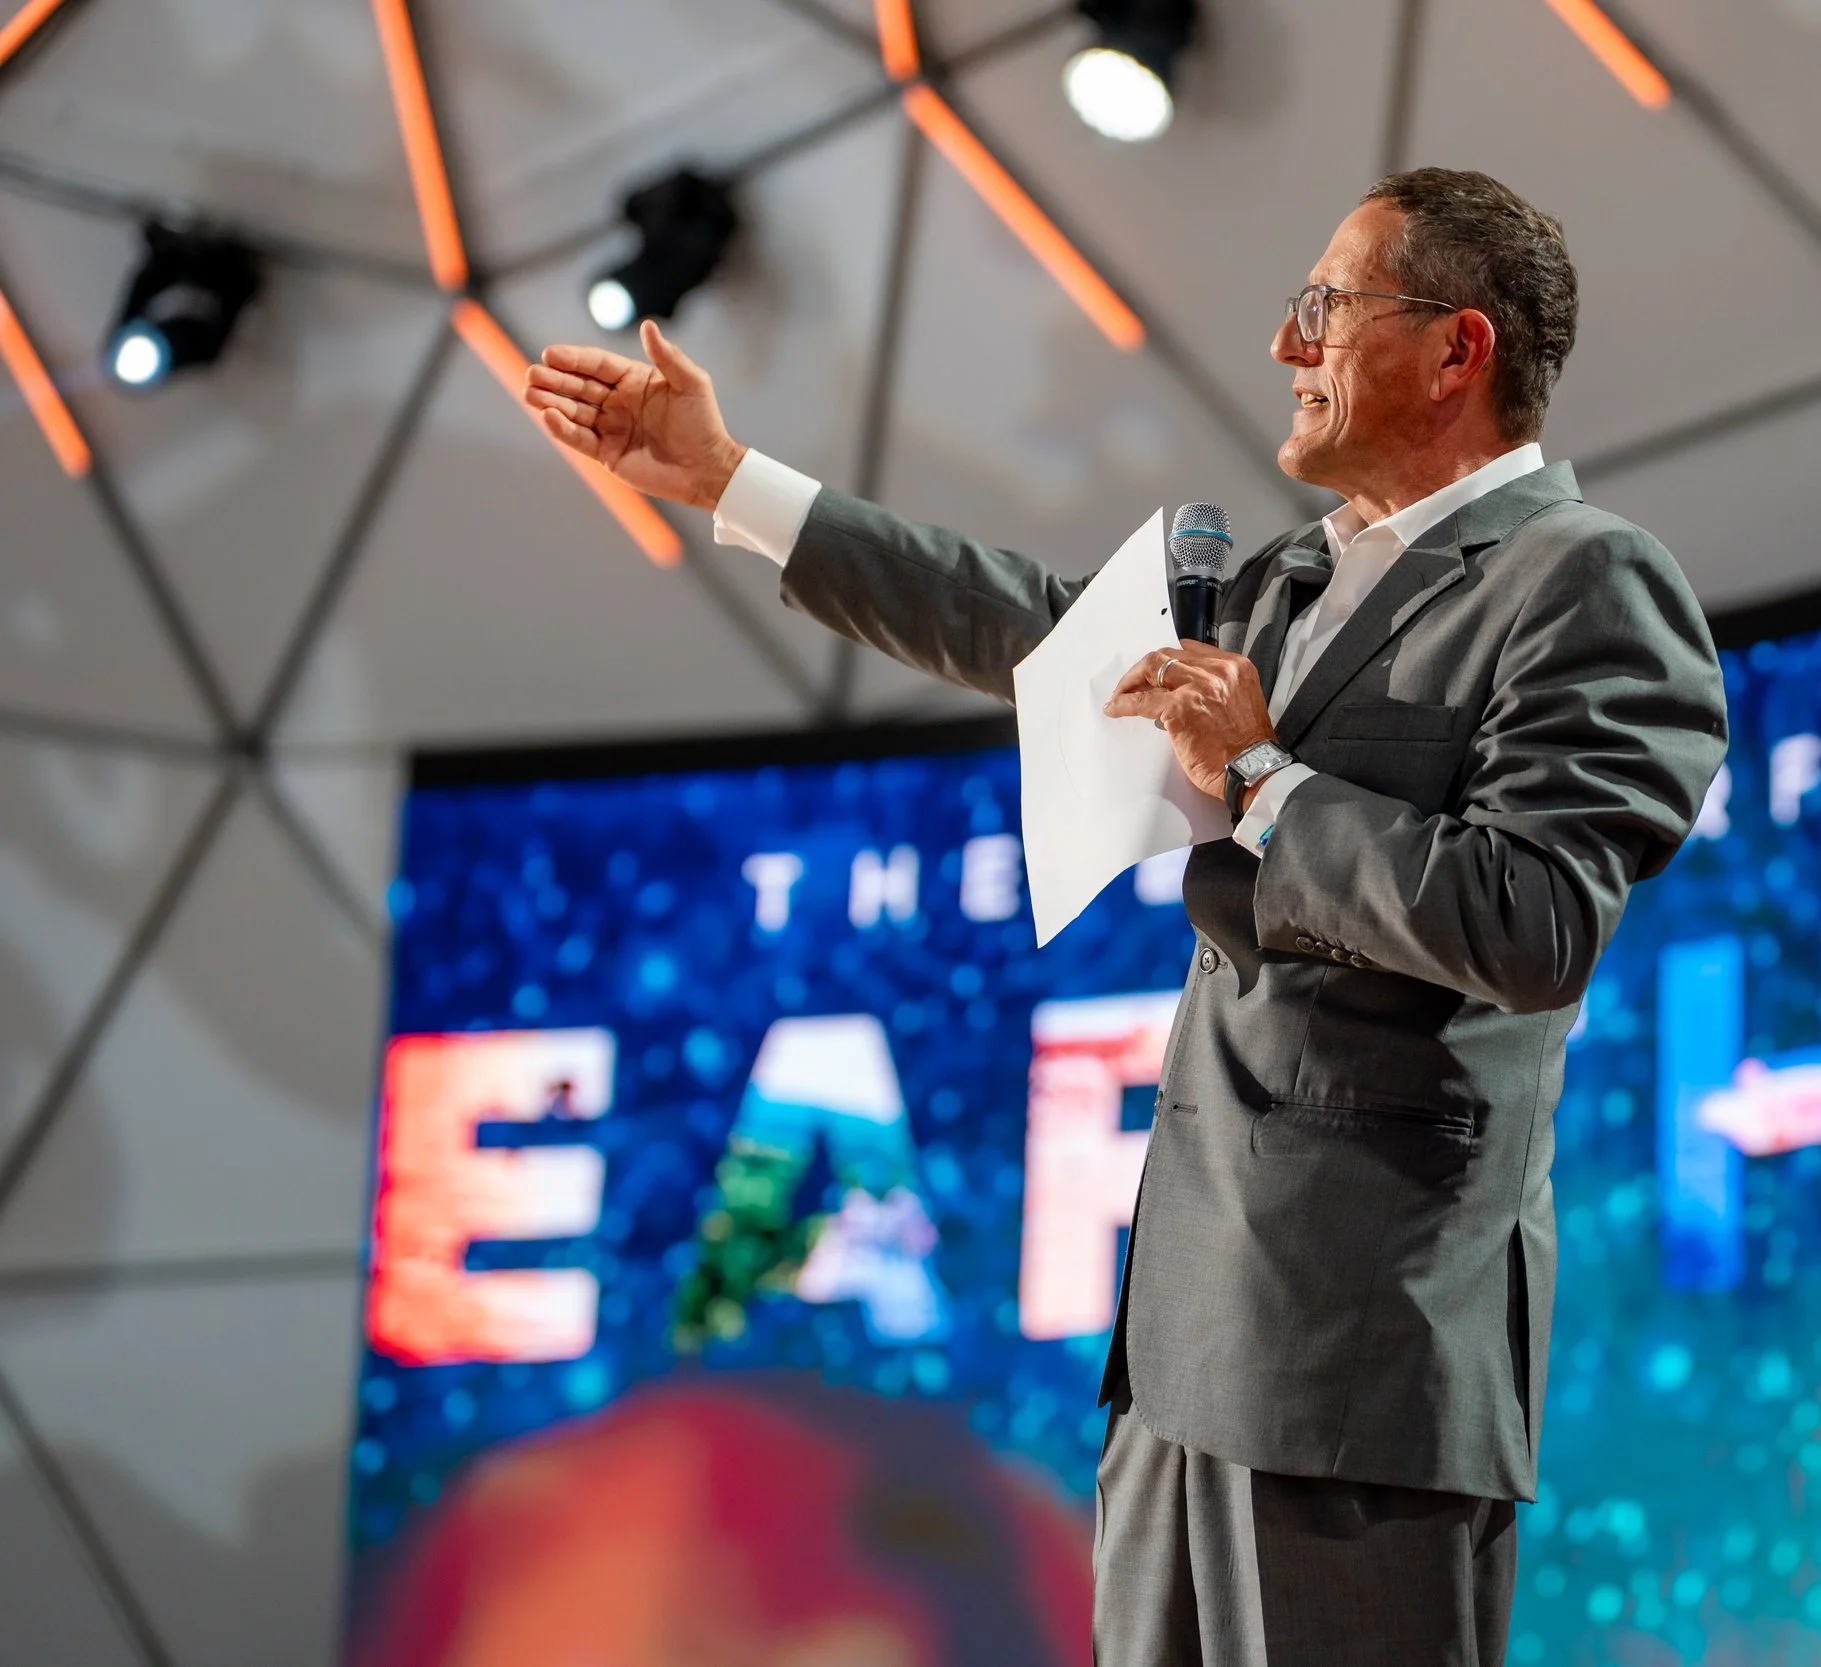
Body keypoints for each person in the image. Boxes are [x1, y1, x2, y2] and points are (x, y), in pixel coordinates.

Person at [527, 166, 1728, 1667]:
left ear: (1455, 350)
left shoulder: (1586, 580)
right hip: (1176, 1356)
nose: (1286, 345)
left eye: (1327, 307)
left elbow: (1531, 918)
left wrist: (1266, 779)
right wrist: (731, 483)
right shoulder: (1290, 579)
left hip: (1363, 1361)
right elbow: (1031, 624)